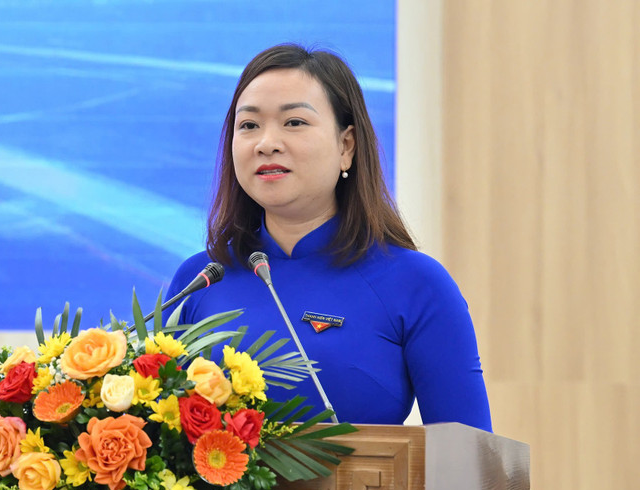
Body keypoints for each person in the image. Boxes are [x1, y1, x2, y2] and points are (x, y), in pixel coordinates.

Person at [167, 44, 492, 431]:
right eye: (249, 125)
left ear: (346, 145)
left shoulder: (416, 284)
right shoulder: (201, 279)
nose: (266, 142)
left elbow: (467, 464)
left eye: (294, 123)